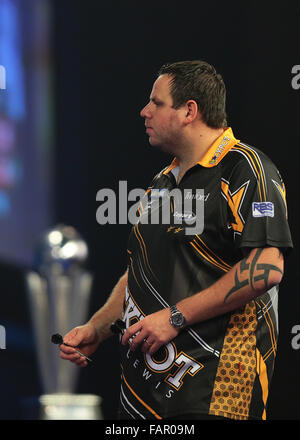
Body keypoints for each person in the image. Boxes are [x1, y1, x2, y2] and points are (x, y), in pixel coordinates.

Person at [59, 60, 293, 420]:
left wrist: (176, 317)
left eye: (156, 102)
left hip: (217, 393)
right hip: (142, 398)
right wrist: (96, 328)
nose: (144, 111)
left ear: (189, 111)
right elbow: (136, 274)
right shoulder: (160, 184)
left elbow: (266, 269)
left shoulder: (246, 167)